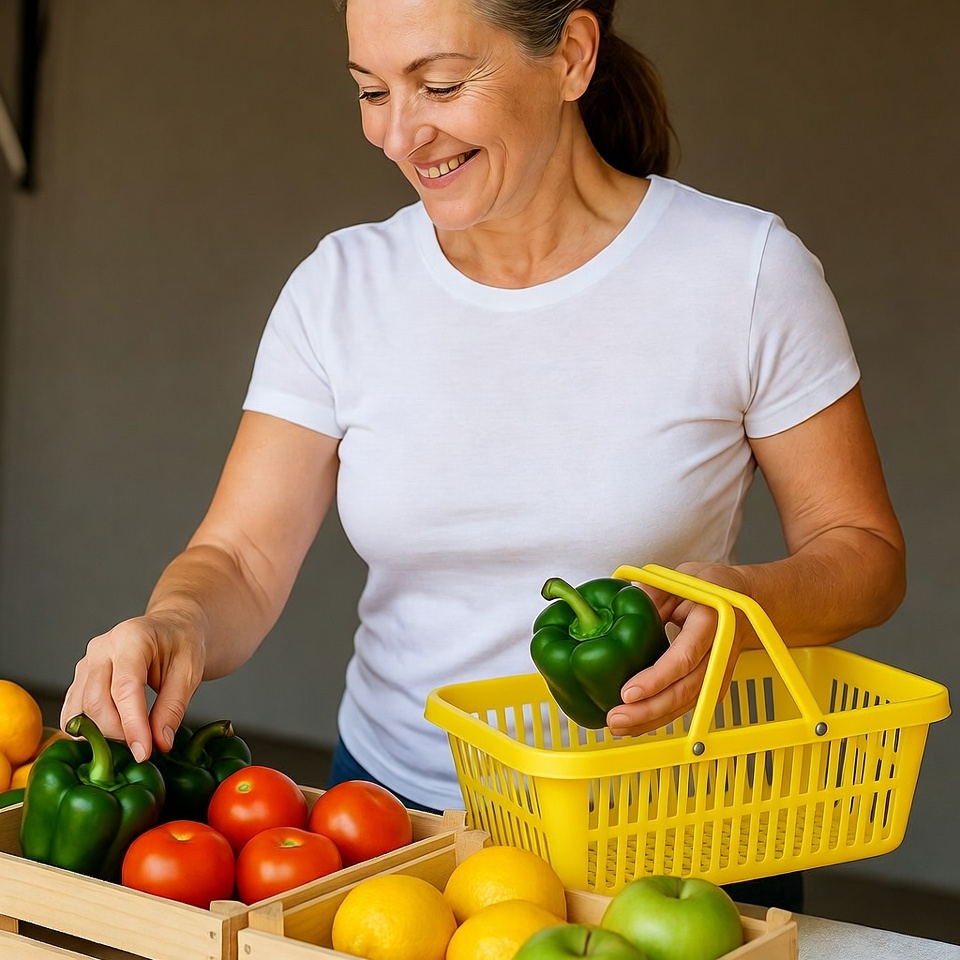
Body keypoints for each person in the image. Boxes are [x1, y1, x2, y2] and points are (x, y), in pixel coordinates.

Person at [61, 0, 905, 913]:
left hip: (671, 847)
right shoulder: (341, 289)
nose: (399, 133)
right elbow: (241, 557)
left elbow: (863, 553)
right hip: (393, 835)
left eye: (441, 84)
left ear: (573, 55)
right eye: (372, 91)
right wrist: (175, 622)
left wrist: (747, 603)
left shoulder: (744, 271)